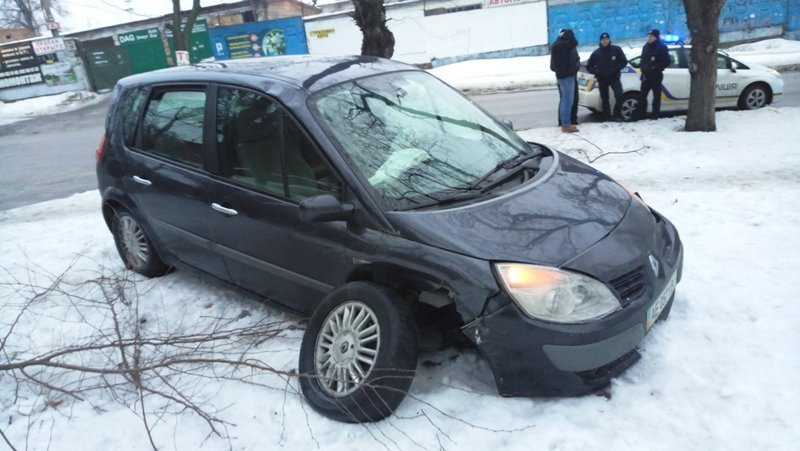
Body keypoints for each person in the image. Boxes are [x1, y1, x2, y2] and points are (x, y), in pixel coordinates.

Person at [587, 32, 628, 121]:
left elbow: (624, 61)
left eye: (606, 39)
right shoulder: (596, 53)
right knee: (605, 98)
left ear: (609, 40)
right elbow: (589, 66)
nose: (605, 41)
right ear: (600, 41)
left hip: (614, 77)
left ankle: (617, 115)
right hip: (602, 79)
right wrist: (596, 72)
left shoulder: (616, 50)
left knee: (619, 95)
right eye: (603, 40)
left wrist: (616, 68)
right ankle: (606, 116)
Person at [635, 29, 671, 119]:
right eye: (649, 36)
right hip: (646, 75)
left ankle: (655, 115)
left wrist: (656, 67)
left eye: (651, 36)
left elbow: (667, 61)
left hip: (656, 75)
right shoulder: (646, 46)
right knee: (642, 96)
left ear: (656, 37)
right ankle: (639, 114)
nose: (649, 38)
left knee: (656, 96)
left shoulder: (662, 47)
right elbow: (643, 59)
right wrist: (643, 68)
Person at [550, 28, 580, 133]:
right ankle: (566, 124)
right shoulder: (565, 45)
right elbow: (575, 43)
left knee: (564, 100)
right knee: (568, 101)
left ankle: (565, 123)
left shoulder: (556, 44)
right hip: (567, 76)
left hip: (561, 76)